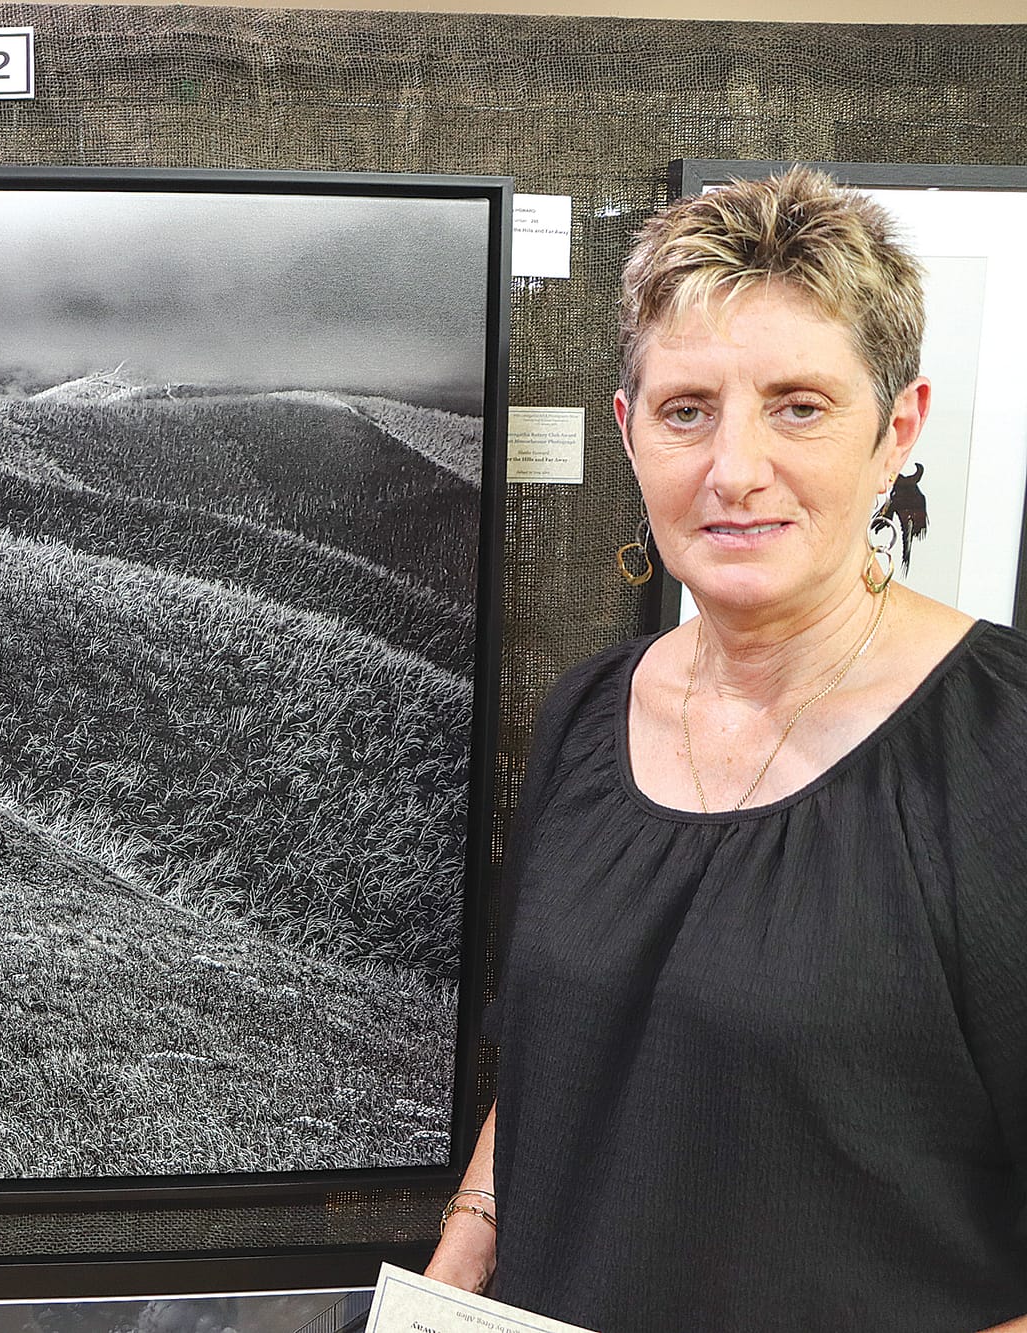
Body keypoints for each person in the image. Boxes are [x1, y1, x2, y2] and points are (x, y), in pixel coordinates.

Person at [424, 167, 1027, 1331]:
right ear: (627, 433)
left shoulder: (1001, 751)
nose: (732, 469)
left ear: (894, 429)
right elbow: (554, 1058)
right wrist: (471, 1231)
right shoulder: (587, 715)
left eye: (797, 405)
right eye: (686, 409)